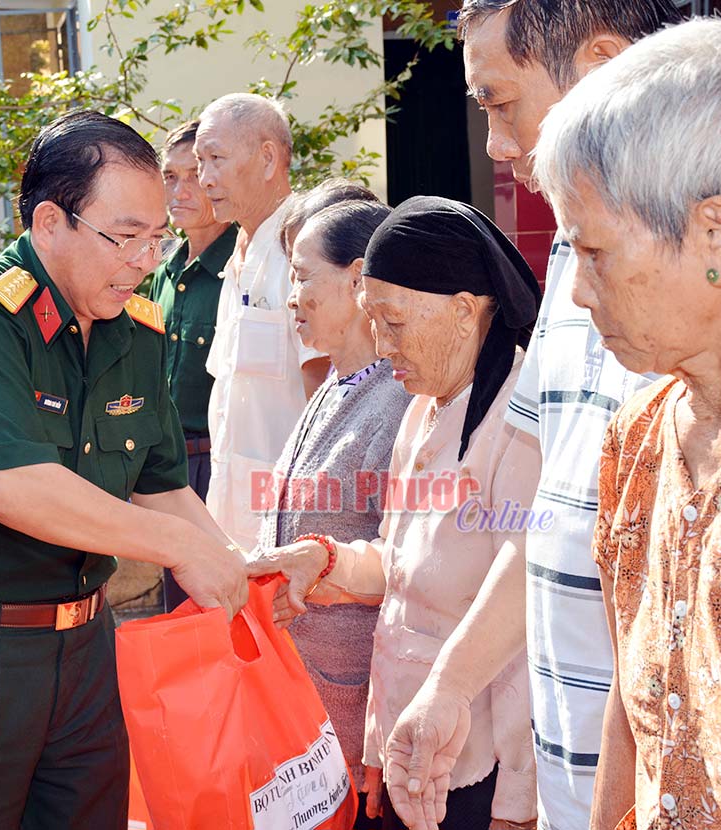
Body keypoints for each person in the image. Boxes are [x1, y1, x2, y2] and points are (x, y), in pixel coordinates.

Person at [385, 5, 721, 827]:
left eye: (595, 254)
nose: (575, 289)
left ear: (715, 237)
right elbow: (641, 700)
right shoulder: (640, 436)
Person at [0, 110, 249, 830]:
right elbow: (9, 486)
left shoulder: (134, 328)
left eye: (154, 238)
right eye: (125, 236)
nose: (144, 260)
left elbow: (160, 482)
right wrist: (183, 551)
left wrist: (233, 571)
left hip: (84, 652)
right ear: (48, 223)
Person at [252, 196, 542, 830]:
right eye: (372, 321)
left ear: (465, 311)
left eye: (394, 322)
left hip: (478, 764)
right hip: (410, 745)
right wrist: (323, 559)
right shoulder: (425, 406)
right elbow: (402, 559)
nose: (381, 345)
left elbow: (524, 605)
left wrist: (517, 803)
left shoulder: (516, 420)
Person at [252, 193, 412, 828]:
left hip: (354, 705)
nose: (292, 297)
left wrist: (381, 727)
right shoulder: (333, 385)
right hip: (305, 700)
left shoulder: (399, 401)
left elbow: (406, 571)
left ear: (356, 279)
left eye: (301, 276)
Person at [195, 93, 330, 547]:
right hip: (233, 512)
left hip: (294, 520)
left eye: (216, 158)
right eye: (200, 161)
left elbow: (329, 386)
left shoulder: (302, 250)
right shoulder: (236, 254)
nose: (203, 178)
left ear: (268, 158)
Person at [150, 120, 236, 610]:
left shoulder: (240, 268)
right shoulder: (162, 270)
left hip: (219, 464)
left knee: (220, 607)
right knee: (179, 613)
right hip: (170, 468)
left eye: (194, 176)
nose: (180, 191)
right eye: (170, 176)